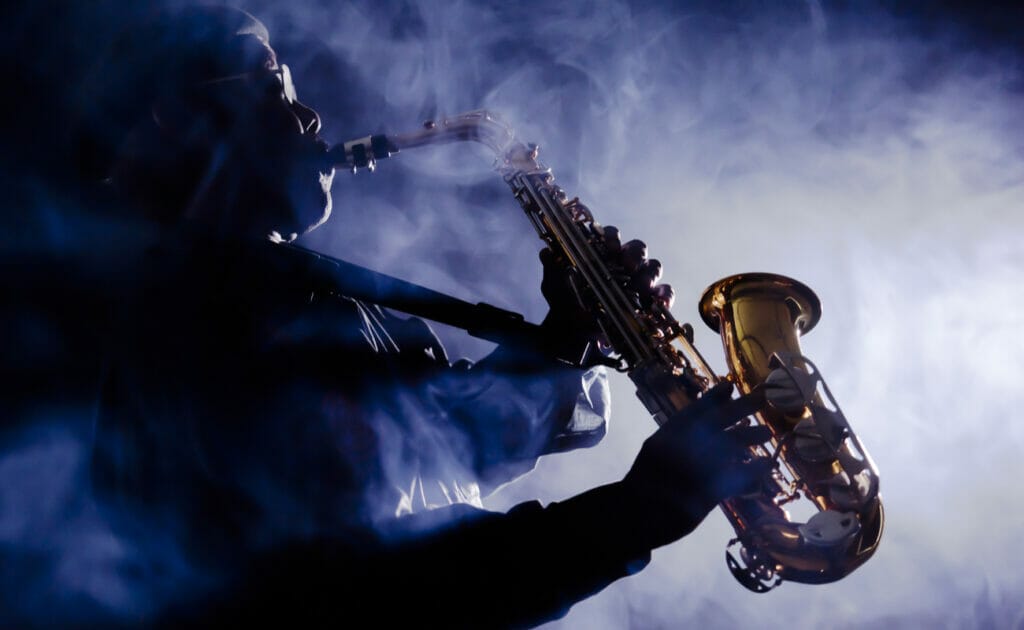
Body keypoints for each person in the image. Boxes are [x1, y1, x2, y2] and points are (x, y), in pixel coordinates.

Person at [83, 6, 774, 627]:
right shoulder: (206, 322)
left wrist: (569, 330)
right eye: (272, 90)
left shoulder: (292, 299)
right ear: (185, 129)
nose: (311, 118)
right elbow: (374, 592)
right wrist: (636, 513)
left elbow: (449, 453)